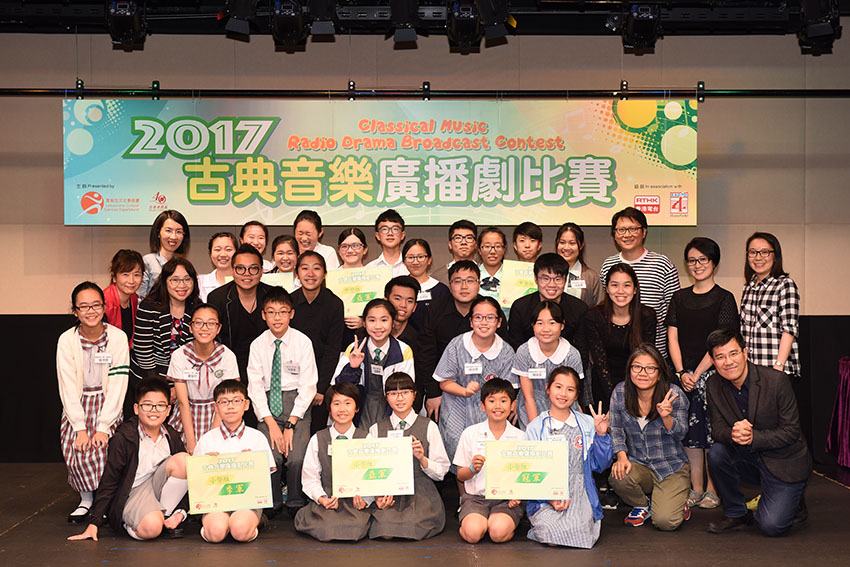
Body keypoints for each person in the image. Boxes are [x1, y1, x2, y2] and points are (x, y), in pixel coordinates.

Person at [704, 328, 810, 536]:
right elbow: (717, 429)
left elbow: (791, 431)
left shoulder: (776, 381)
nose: (728, 362)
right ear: (713, 361)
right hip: (748, 457)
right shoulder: (713, 384)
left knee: (771, 526)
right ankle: (736, 514)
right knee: (717, 453)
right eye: (720, 357)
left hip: (783, 459)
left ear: (745, 353)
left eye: (733, 353)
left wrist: (754, 437)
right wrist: (733, 434)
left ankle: (795, 499)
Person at [68, 378, 189, 542]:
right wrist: (94, 522)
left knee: (184, 461)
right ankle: (132, 523)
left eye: (160, 405)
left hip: (159, 486)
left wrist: (181, 512)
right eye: (147, 405)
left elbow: (189, 479)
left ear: (168, 410)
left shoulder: (171, 435)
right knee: (152, 528)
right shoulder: (124, 438)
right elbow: (110, 479)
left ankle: (166, 516)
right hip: (133, 492)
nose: (154, 411)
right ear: (136, 408)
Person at [667, 237, 739, 509]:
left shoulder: (725, 298)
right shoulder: (679, 297)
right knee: (690, 434)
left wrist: (696, 374)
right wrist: (681, 372)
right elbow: (672, 337)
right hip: (682, 377)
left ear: (714, 263)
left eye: (702, 260)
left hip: (713, 377)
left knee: (711, 433)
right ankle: (695, 488)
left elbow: (721, 342)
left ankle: (712, 488)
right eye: (692, 260)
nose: (697, 265)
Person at [58, 282, 130, 522]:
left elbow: (119, 382)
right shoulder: (67, 340)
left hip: (107, 403)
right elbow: (67, 384)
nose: (91, 311)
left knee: (104, 452)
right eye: (84, 306)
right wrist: (80, 427)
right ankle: (86, 500)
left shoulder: (117, 338)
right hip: (77, 404)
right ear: (75, 311)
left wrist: (103, 426)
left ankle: (105, 501)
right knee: (76, 449)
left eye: (96, 305)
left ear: (104, 306)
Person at [247, 286, 318, 516]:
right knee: (271, 456)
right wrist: (270, 423)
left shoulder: (303, 342)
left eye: (282, 312)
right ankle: (272, 502)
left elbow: (308, 385)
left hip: (297, 406)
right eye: (271, 312)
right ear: (263, 315)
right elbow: (255, 387)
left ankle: (296, 501)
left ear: (291, 314)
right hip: (268, 407)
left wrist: (290, 424)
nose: (277, 317)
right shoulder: (257, 344)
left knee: (296, 457)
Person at [524, 367, 613, 548]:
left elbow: (600, 465)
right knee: (551, 536)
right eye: (558, 387)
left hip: (580, 492)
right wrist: (549, 497)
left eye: (570, 389)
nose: (563, 394)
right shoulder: (536, 427)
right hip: (546, 494)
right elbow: (530, 471)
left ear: (576, 395)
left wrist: (602, 435)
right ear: (548, 389)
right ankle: (540, 529)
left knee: (581, 533)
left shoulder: (588, 423)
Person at [609, 344, 691, 531]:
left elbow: (682, 433)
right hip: (638, 464)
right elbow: (616, 428)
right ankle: (642, 504)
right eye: (637, 367)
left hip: (670, 466)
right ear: (629, 370)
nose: (642, 373)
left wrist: (667, 417)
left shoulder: (674, 394)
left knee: (665, 522)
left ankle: (678, 501)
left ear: (660, 373)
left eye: (650, 368)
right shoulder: (620, 392)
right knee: (618, 475)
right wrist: (621, 456)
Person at [416, 261, 508, 422]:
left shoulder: (491, 311)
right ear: (450, 285)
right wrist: (432, 393)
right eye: (458, 281)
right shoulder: (435, 310)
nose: (464, 286)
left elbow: (503, 355)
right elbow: (426, 355)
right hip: (444, 389)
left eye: (470, 280)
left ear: (479, 284)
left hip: (487, 393)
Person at [434, 296, 516, 463]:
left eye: (490, 317)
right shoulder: (457, 345)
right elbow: (444, 381)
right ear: (471, 321)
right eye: (478, 317)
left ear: (499, 322)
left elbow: (509, 389)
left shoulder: (506, 352)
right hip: (457, 412)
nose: (484, 322)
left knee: (492, 458)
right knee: (460, 458)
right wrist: (464, 391)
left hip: (492, 414)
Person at [368, 372, 449, 540]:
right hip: (389, 492)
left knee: (413, 525)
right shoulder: (376, 429)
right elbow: (369, 470)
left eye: (405, 392)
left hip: (421, 491)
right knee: (385, 529)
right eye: (393, 393)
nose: (399, 398)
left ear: (414, 395)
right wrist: (377, 496)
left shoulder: (429, 426)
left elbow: (442, 471)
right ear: (386, 397)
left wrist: (422, 459)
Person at [194, 380, 275, 543]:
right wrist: (206, 464)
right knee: (215, 533)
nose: (230, 406)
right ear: (216, 407)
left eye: (236, 401)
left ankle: (252, 522)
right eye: (224, 402)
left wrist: (253, 464)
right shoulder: (207, 439)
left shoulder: (257, 438)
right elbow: (196, 479)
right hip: (215, 502)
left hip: (248, 501)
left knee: (240, 531)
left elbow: (267, 477)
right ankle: (217, 525)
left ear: (246, 405)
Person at [295, 382, 373, 541]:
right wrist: (321, 498)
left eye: (348, 403)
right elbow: (310, 476)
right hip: (328, 499)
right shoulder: (318, 438)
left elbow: (373, 476)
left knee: (356, 527)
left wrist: (366, 500)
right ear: (329, 410)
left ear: (357, 408)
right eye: (336, 404)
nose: (342, 409)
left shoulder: (367, 439)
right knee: (325, 527)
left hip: (355, 502)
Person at [599, 207, 680, 358]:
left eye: (633, 229)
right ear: (614, 234)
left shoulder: (662, 264)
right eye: (621, 230)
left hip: (655, 353)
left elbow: (674, 310)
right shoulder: (608, 265)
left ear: (644, 232)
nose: (627, 235)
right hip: (616, 353)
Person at [577, 263, 657, 413]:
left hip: (639, 383)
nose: (621, 291)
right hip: (603, 385)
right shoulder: (594, 317)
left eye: (627, 285)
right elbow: (600, 364)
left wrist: (633, 396)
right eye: (614, 285)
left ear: (635, 289)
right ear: (607, 289)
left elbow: (646, 359)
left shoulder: (647, 316)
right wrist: (616, 398)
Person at [453, 378, 524, 544]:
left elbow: (525, 475)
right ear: (483, 406)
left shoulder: (521, 437)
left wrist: (519, 495)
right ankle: (474, 521)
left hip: (506, 500)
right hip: (476, 498)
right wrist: (472, 469)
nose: (498, 406)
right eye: (492, 401)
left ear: (513, 405)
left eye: (503, 401)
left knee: (498, 533)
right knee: (473, 534)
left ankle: (498, 523)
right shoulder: (470, 434)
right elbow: (460, 475)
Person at [167, 303, 239, 454]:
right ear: (190, 327)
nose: (204, 328)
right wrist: (191, 442)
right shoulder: (180, 355)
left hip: (219, 414)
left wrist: (212, 440)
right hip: (187, 416)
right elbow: (183, 402)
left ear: (218, 328)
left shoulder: (227, 356)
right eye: (198, 323)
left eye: (211, 323)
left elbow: (225, 399)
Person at [334, 298, 415, 429]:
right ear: (364, 323)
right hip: (360, 409)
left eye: (384, 320)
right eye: (372, 320)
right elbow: (339, 388)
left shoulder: (403, 351)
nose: (378, 326)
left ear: (393, 322)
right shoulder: (354, 348)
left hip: (390, 409)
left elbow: (406, 391)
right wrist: (353, 367)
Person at [289, 250, 345, 435]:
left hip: (321, 377)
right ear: (297, 274)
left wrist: (320, 388)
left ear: (325, 273)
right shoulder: (289, 302)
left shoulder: (334, 304)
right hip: (293, 378)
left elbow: (333, 349)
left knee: (317, 431)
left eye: (316, 268)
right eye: (305, 268)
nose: (310, 274)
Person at [207, 244, 274, 385]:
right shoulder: (217, 298)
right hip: (230, 369)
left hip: (268, 368)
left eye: (253, 268)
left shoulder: (273, 296)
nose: (247, 274)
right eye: (240, 268)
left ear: (262, 271)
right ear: (232, 270)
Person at [512, 300, 584, 428]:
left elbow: (572, 394)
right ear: (533, 325)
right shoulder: (524, 351)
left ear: (562, 325)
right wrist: (536, 428)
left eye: (552, 323)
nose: (546, 329)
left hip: (563, 407)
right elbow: (529, 397)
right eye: (540, 323)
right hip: (530, 410)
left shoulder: (571, 354)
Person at [740, 232, 800, 381]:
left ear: (775, 256)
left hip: (776, 370)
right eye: (753, 252)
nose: (758, 257)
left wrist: (778, 367)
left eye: (764, 252)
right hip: (751, 370)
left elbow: (789, 329)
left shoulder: (785, 284)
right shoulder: (748, 287)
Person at [130, 258, 199, 384]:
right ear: (165, 281)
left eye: (187, 279)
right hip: (149, 377)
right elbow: (143, 351)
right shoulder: (149, 307)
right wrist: (161, 386)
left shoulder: (198, 308)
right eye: (175, 280)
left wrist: (179, 385)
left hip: (185, 377)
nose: (182, 285)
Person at [507, 253, 587, 350]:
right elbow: (515, 345)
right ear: (535, 278)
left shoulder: (579, 308)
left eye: (558, 279)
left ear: (565, 280)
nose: (551, 285)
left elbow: (582, 348)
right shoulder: (520, 307)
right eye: (545, 278)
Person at [139, 210, 190, 299]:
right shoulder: (147, 262)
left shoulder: (182, 265)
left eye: (178, 232)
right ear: (158, 233)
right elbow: (139, 297)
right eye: (168, 231)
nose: (174, 237)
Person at [402, 238, 450, 331]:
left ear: (429, 260)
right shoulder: (399, 288)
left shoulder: (441, 290)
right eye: (410, 257)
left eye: (420, 257)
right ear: (404, 261)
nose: (415, 262)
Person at [555, 222, 601, 307]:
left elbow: (599, 306)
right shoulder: (546, 274)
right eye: (562, 242)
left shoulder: (591, 277)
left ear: (581, 245)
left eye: (572, 243)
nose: (566, 247)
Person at [103, 249, 144, 344]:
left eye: (136, 275)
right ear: (114, 277)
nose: (131, 281)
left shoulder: (134, 298)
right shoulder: (104, 301)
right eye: (125, 274)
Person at [432, 220, 478, 284]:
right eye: (458, 238)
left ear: (476, 244)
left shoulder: (484, 274)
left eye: (469, 238)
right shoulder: (437, 278)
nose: (463, 242)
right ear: (450, 245)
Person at [365, 209, 409, 276]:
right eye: (385, 229)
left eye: (395, 229)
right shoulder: (370, 269)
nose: (390, 233)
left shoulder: (411, 266)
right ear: (378, 235)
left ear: (402, 235)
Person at [197, 232, 238, 302]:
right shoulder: (199, 282)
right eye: (217, 250)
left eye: (228, 249)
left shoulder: (244, 281)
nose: (223, 254)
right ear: (210, 253)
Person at [477, 226, 506, 300]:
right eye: (487, 246)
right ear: (479, 250)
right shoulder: (472, 275)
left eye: (498, 246)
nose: (492, 251)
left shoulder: (511, 275)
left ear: (504, 250)